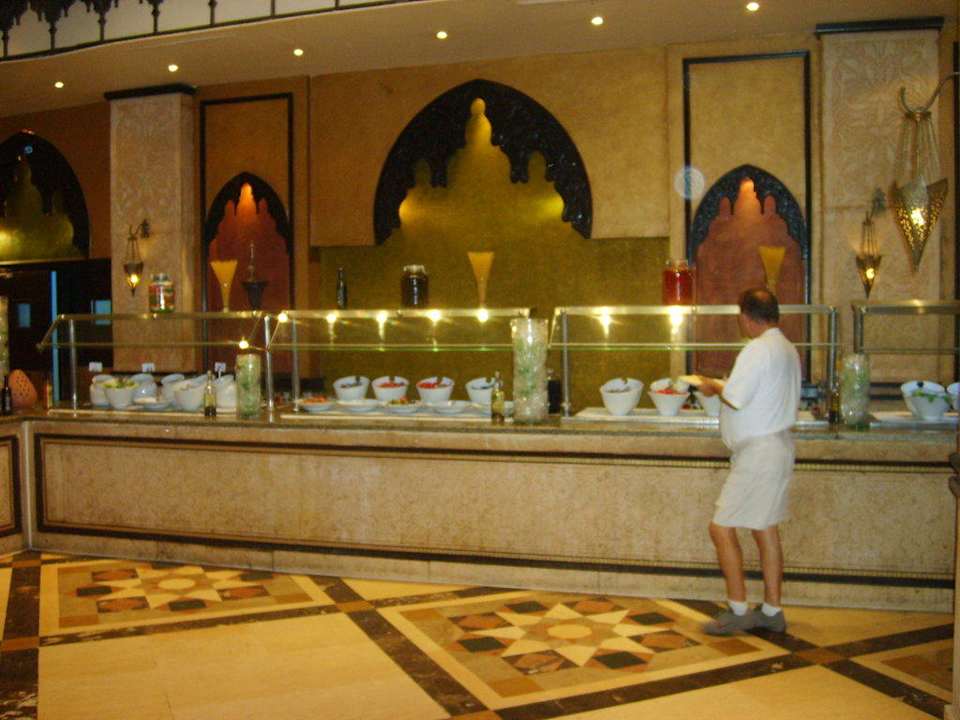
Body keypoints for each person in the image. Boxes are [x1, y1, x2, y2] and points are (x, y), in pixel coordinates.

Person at [696, 287, 800, 635]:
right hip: (779, 447)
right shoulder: (787, 348)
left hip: (759, 454)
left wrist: (712, 385)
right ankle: (772, 610)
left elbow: (736, 397)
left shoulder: (757, 349)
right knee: (764, 527)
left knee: (720, 527)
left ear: (746, 316)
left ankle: (738, 609)